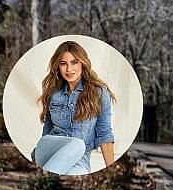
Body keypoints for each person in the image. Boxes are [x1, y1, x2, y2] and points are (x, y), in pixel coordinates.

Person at [35, 41, 116, 175]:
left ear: (83, 63)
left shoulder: (99, 93)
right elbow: (47, 132)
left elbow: (105, 134)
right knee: (77, 144)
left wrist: (112, 173)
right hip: (48, 150)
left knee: (76, 168)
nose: (68, 69)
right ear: (57, 67)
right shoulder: (53, 94)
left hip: (80, 160)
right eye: (63, 64)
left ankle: (46, 176)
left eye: (74, 62)